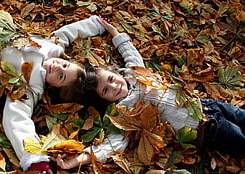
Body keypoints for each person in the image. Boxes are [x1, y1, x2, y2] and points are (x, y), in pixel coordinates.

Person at [50, 17, 245, 170]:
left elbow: (129, 52)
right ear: (104, 99)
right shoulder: (123, 112)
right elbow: (111, 145)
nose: (115, 86)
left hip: (206, 104)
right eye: (106, 91)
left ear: (115, 73)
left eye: (111, 79)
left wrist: (114, 31)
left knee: (240, 115)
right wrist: (77, 160)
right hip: (207, 128)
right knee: (240, 139)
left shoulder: (134, 73)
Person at [0, 12, 106, 173]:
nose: (58, 66)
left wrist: (35, 158)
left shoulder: (30, 87)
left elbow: (17, 120)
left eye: (60, 76)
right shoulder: (51, 47)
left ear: (55, 88)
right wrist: (95, 24)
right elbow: (68, 33)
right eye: (65, 65)